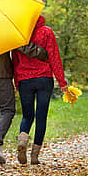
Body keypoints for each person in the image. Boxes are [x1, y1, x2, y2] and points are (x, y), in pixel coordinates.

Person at [0, 43, 48, 165]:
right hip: (0, 75)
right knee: (8, 109)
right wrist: (44, 53)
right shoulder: (2, 28)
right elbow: (21, 46)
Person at [12, 15, 68, 165]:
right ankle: (35, 156)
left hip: (24, 79)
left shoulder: (18, 36)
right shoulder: (46, 32)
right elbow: (54, 58)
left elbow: (15, 62)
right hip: (44, 79)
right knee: (41, 116)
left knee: (27, 115)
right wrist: (62, 81)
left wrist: (17, 82)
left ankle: (23, 139)